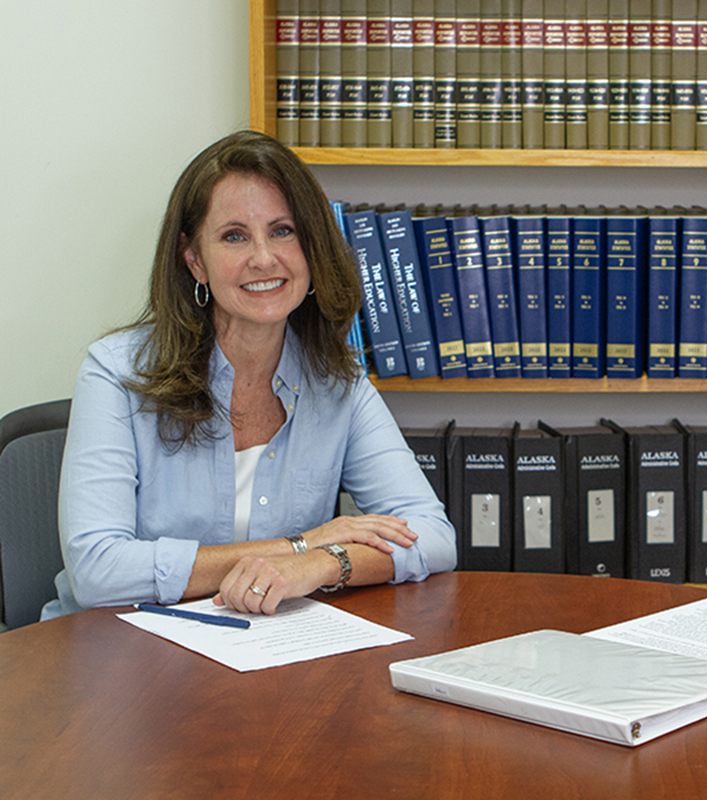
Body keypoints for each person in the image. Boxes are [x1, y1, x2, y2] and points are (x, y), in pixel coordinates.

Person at [43, 130, 455, 620]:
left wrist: (323, 564)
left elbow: (433, 536)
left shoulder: (336, 382)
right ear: (195, 260)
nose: (263, 257)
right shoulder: (117, 374)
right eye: (234, 236)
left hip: (263, 645)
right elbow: (97, 571)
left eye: (283, 231)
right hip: (119, 646)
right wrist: (297, 546)